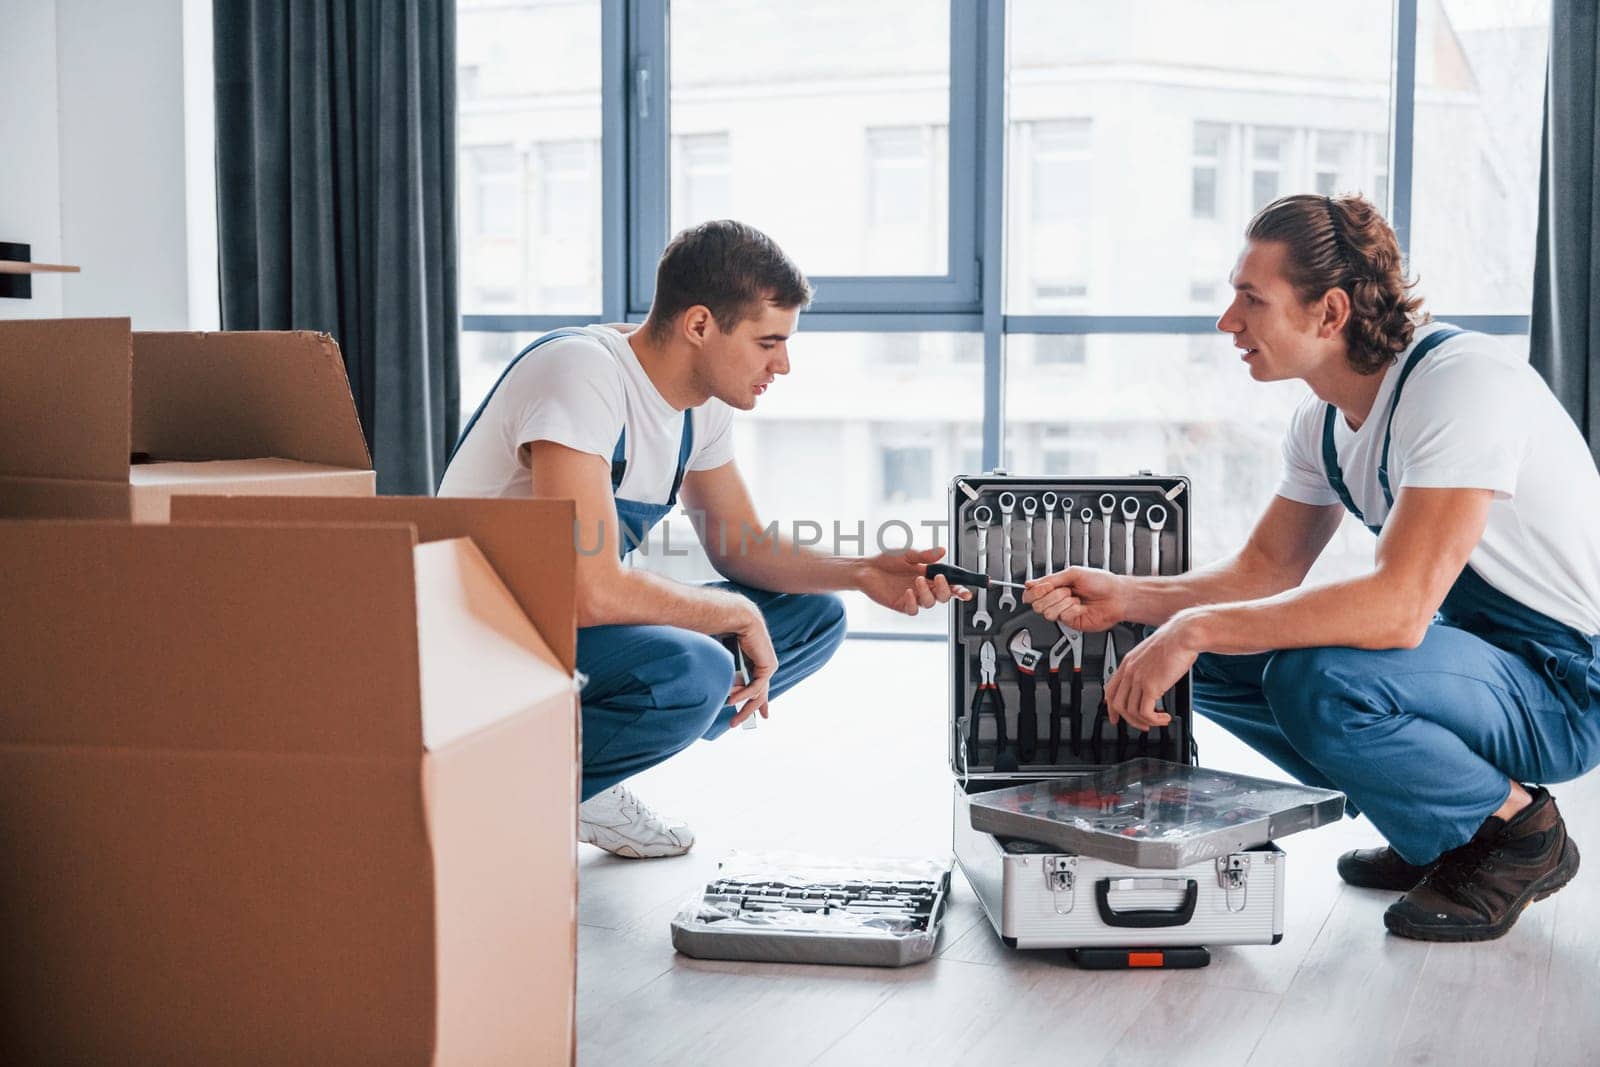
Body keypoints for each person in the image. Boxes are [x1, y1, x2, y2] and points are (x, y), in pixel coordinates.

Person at [1024, 192, 1600, 941]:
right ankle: (1434, 823)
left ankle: (1518, 834)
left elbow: (1400, 607)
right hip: (1478, 664)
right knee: (1208, 653)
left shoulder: (1459, 385)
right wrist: (1133, 597)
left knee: (1314, 678)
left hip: (1562, 683)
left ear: (1329, 312)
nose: (1228, 321)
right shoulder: (1322, 422)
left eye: (1251, 299)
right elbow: (1263, 571)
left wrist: (1195, 627)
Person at [440, 220, 966, 859]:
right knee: (696, 666)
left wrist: (858, 571)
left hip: (561, 625)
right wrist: (733, 612)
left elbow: (741, 545)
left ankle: (586, 772)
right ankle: (483, 798)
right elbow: (589, 589)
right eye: (768, 342)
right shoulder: (581, 372)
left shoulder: (701, 405)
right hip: (480, 639)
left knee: (813, 617)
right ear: (699, 325)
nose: (785, 364)